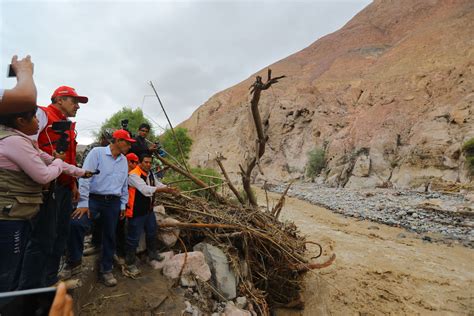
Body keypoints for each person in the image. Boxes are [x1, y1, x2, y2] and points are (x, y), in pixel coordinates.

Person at [0, 104, 91, 292]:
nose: (38, 121)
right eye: (34, 118)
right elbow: (43, 175)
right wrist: (58, 160)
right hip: (10, 215)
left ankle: (34, 288)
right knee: (10, 269)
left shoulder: (23, 141)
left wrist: (81, 173)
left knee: (36, 247)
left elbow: (49, 160)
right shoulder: (14, 142)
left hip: (20, 211)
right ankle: (17, 299)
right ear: (20, 121)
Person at [64, 129, 135, 287]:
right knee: (77, 223)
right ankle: (74, 261)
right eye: (128, 143)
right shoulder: (97, 153)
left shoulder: (123, 160)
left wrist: (123, 204)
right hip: (94, 199)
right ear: (117, 141)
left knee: (110, 235)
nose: (129, 147)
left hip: (114, 202)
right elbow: (85, 177)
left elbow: (124, 184)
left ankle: (106, 269)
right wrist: (83, 203)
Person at [124, 153, 179, 275]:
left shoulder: (150, 174)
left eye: (150, 162)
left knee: (152, 231)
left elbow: (157, 184)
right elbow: (145, 190)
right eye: (146, 162)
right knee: (133, 237)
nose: (148, 165)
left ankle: (152, 253)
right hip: (136, 211)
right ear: (140, 162)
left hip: (148, 210)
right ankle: (130, 262)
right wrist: (163, 190)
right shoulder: (133, 175)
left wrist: (169, 188)